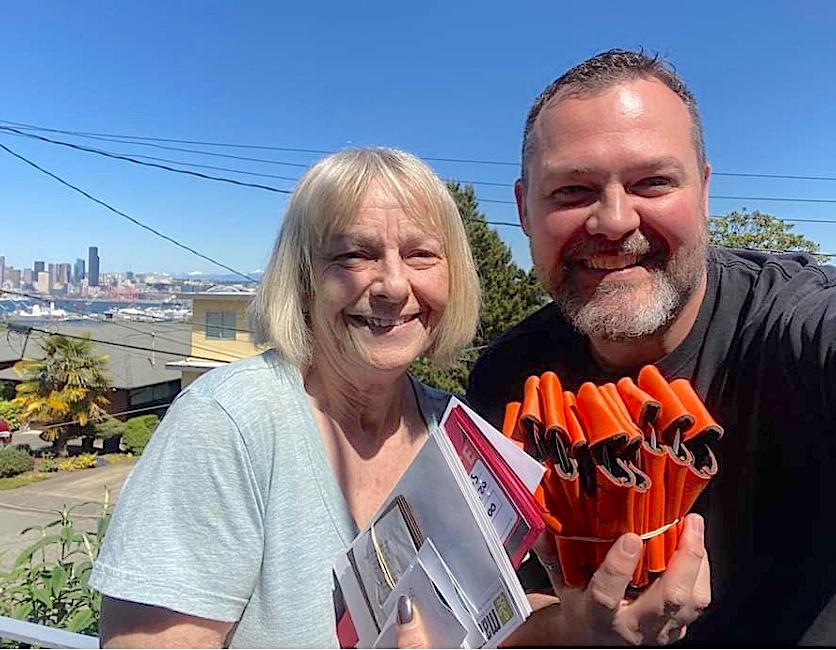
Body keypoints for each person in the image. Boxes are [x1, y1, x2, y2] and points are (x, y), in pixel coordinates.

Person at [89, 146, 707, 648]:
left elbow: (493, 627)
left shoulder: (458, 431)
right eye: (355, 254)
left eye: (420, 255)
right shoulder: (230, 422)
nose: (392, 285)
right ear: (304, 279)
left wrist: (582, 624)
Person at [467, 49, 836, 645]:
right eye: (572, 190)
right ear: (524, 210)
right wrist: (571, 628)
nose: (613, 220)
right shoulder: (507, 380)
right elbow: (502, 597)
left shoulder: (806, 329)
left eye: (652, 182)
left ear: (704, 192)